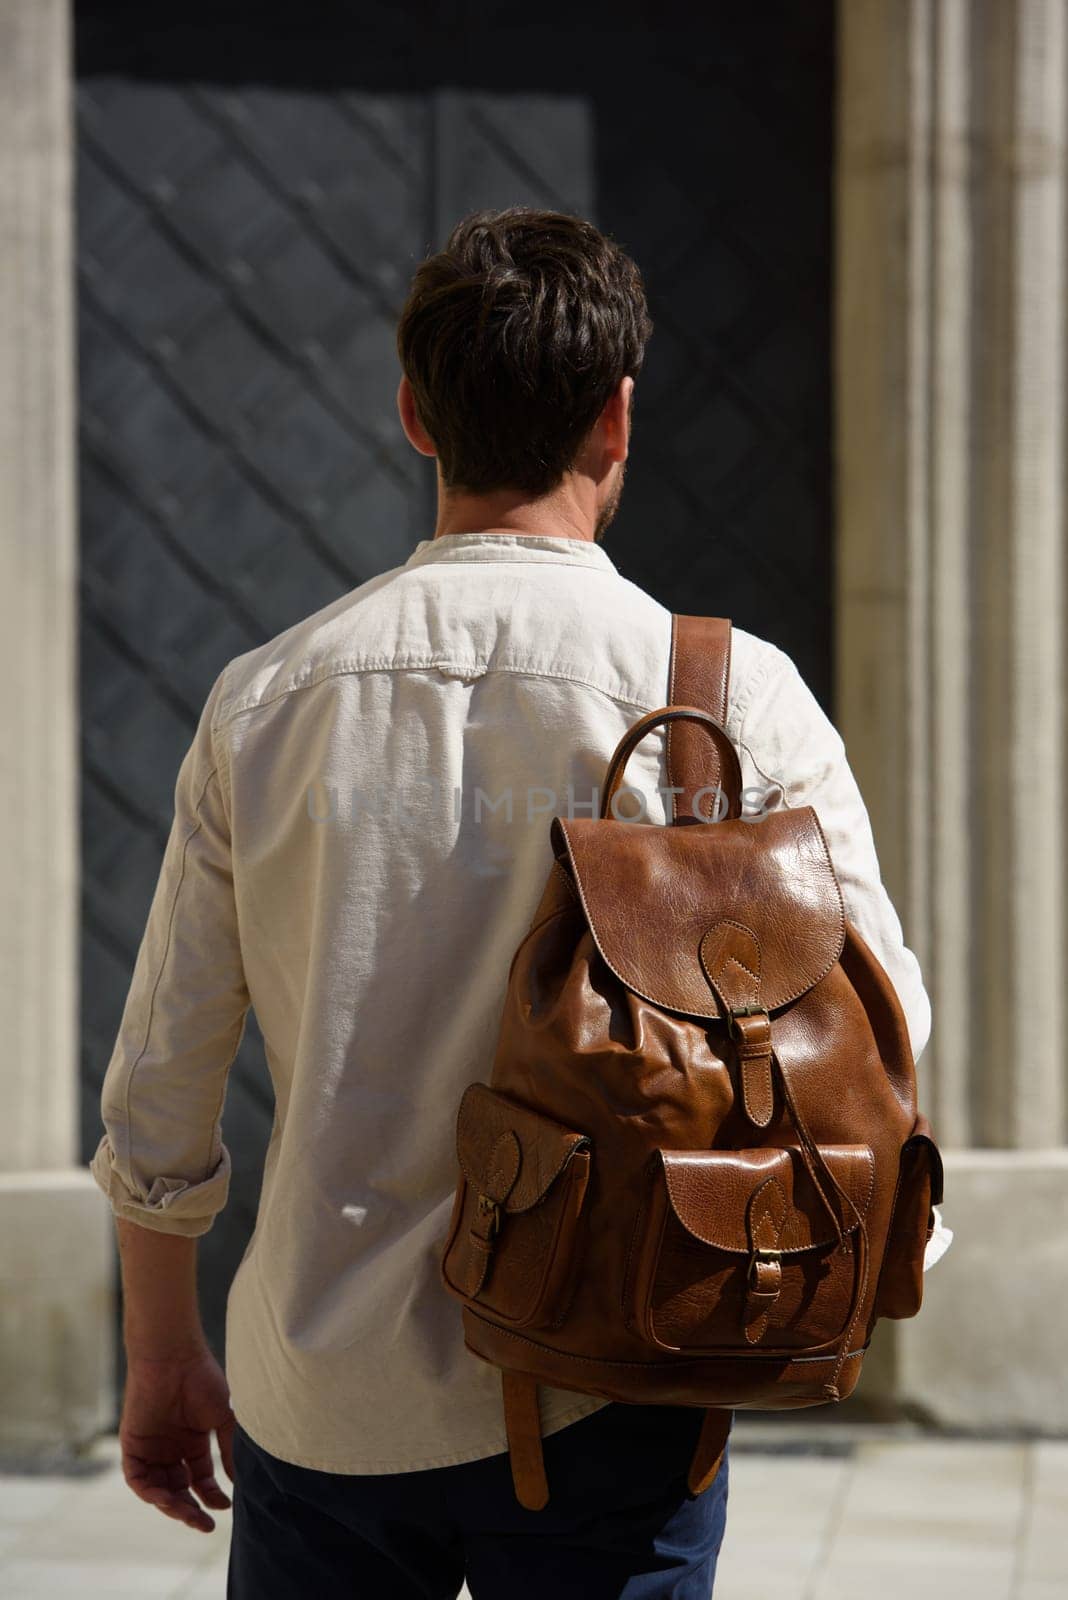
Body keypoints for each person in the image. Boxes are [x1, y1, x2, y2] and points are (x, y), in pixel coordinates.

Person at [90, 206, 936, 1599]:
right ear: (617, 419)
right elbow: (888, 1024)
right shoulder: (730, 695)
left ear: (416, 416)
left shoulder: (267, 699)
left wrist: (162, 1350)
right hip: (620, 1374)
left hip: (323, 1392)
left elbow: (162, 1084)